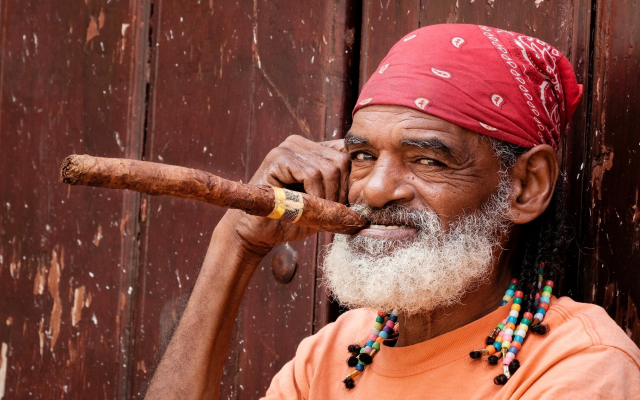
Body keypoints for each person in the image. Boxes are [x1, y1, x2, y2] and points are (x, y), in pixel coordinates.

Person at [145, 24, 640, 399]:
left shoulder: (579, 365)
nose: (376, 189)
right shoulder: (334, 354)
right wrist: (236, 244)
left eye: (427, 159)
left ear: (525, 186)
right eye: (362, 156)